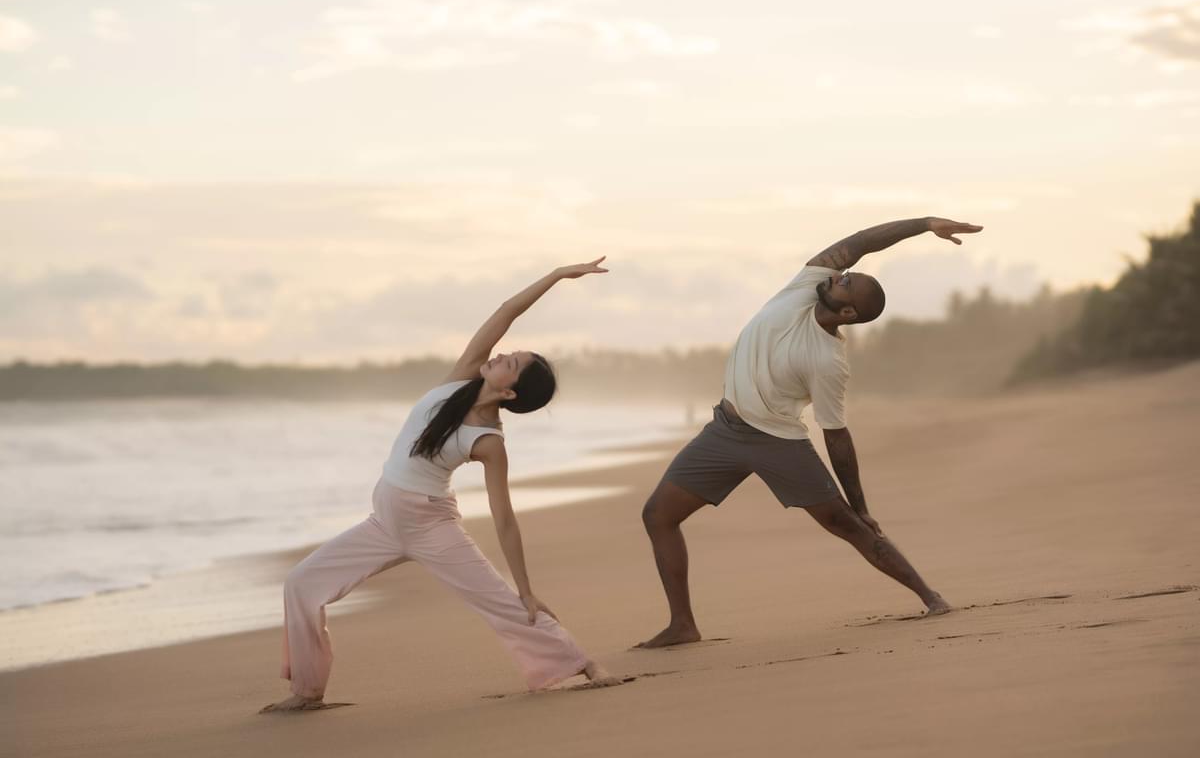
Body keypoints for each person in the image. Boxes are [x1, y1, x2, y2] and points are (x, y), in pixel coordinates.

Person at [261, 258, 619, 712]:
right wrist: (555, 276)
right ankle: (307, 693)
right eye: (509, 352)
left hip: (430, 525)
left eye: (511, 362)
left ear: (510, 393)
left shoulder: (487, 441)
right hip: (385, 521)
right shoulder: (462, 380)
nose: (501, 354)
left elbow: (505, 518)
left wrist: (526, 586)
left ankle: (582, 665)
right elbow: (507, 310)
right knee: (301, 584)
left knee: (504, 604)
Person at [636, 218, 983, 649]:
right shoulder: (805, 287)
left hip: (778, 442)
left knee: (848, 524)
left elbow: (836, 435)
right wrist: (925, 224)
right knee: (658, 515)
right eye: (846, 275)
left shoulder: (828, 361)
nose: (841, 275)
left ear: (849, 313)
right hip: (724, 430)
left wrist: (860, 505)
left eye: (847, 283)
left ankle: (931, 598)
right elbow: (857, 243)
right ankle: (682, 625)